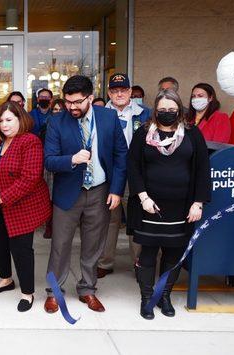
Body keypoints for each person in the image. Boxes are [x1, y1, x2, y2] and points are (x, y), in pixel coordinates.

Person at [43, 75, 127, 314]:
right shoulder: (57, 122)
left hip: (100, 191)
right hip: (68, 193)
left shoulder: (109, 117)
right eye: (68, 102)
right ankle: (53, 292)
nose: (72, 107)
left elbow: (121, 156)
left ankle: (87, 289)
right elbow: (48, 160)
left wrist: (117, 190)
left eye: (78, 102)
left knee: (93, 245)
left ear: (90, 97)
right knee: (60, 245)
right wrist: (71, 159)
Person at [127, 89, 210, 319]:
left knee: (173, 254)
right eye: (162, 110)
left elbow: (203, 169)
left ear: (179, 110)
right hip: (149, 206)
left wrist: (198, 203)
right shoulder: (143, 133)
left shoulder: (192, 134)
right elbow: (132, 167)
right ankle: (146, 298)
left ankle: (164, 296)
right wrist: (143, 197)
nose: (167, 113)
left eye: (172, 110)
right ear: (155, 110)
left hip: (182, 207)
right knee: (147, 254)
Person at [0, 101, 51, 312]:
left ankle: (28, 293)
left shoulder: (30, 141)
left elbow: (30, 179)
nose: (4, 125)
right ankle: (6, 280)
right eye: (1, 120)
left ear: (20, 119)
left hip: (21, 204)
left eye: (9, 120)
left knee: (21, 249)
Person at [97, 73, 150, 278]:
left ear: (130, 91)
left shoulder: (144, 113)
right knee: (109, 219)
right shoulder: (99, 113)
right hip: (110, 174)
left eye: (123, 90)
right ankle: (105, 262)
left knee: (137, 219)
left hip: (137, 174)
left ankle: (139, 263)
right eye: (114, 90)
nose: (119, 93)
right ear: (109, 92)